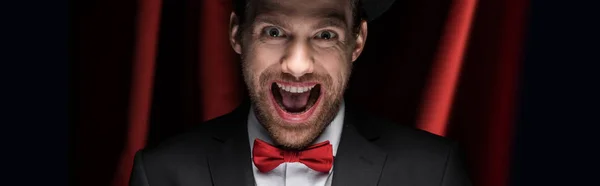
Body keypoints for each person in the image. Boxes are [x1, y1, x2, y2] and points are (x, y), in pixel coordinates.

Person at [129, 0, 472, 185]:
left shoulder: (432, 173)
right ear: (237, 35)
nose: (296, 65)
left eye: (325, 35)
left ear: (357, 41)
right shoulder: (161, 174)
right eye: (274, 31)